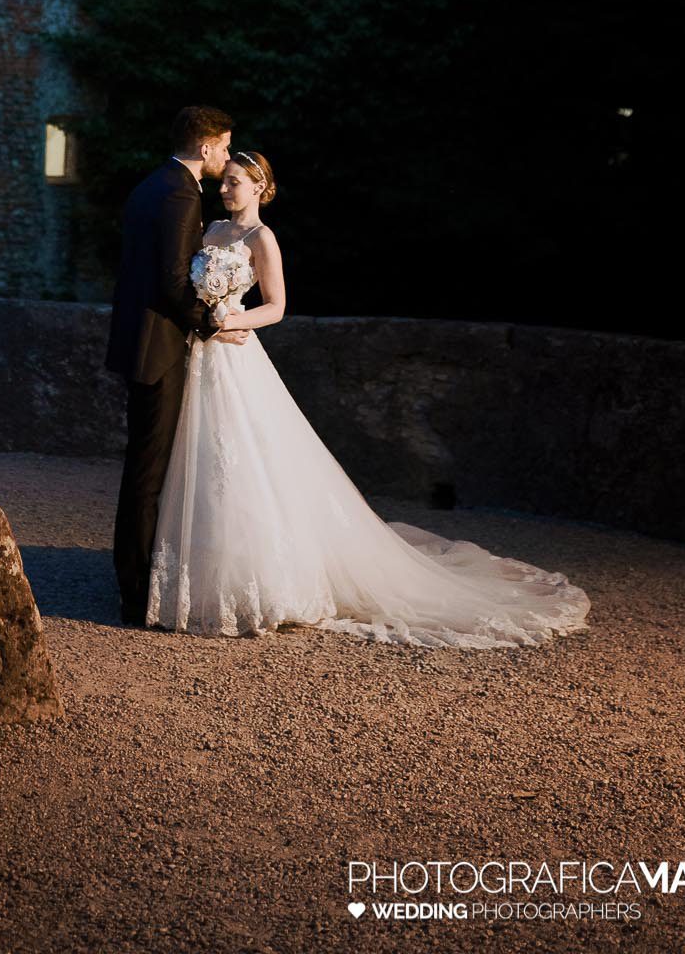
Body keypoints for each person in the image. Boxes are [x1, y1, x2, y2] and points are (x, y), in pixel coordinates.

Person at [145, 149, 591, 648]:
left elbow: (276, 307)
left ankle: (254, 581)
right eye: (223, 181)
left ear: (258, 187)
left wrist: (232, 321)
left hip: (234, 352)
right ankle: (197, 574)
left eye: (233, 182)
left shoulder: (260, 238)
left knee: (239, 457)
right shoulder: (210, 231)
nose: (224, 189)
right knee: (200, 456)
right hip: (200, 352)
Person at [106, 105, 248, 626]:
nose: (227, 158)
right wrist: (213, 322)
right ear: (206, 146)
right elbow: (170, 282)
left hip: (137, 341)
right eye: (225, 147)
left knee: (143, 466)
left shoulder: (150, 184)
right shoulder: (182, 192)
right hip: (158, 348)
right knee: (147, 472)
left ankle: (135, 581)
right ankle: (136, 593)